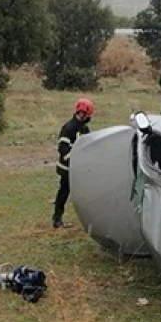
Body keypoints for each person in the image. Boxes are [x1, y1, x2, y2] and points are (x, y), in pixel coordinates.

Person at [53, 98, 94, 228]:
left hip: (78, 169)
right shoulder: (68, 128)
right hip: (67, 169)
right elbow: (62, 148)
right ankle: (57, 218)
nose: (82, 115)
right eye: (80, 113)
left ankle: (89, 219)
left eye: (84, 113)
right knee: (64, 193)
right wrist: (74, 158)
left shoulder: (84, 129)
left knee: (83, 194)